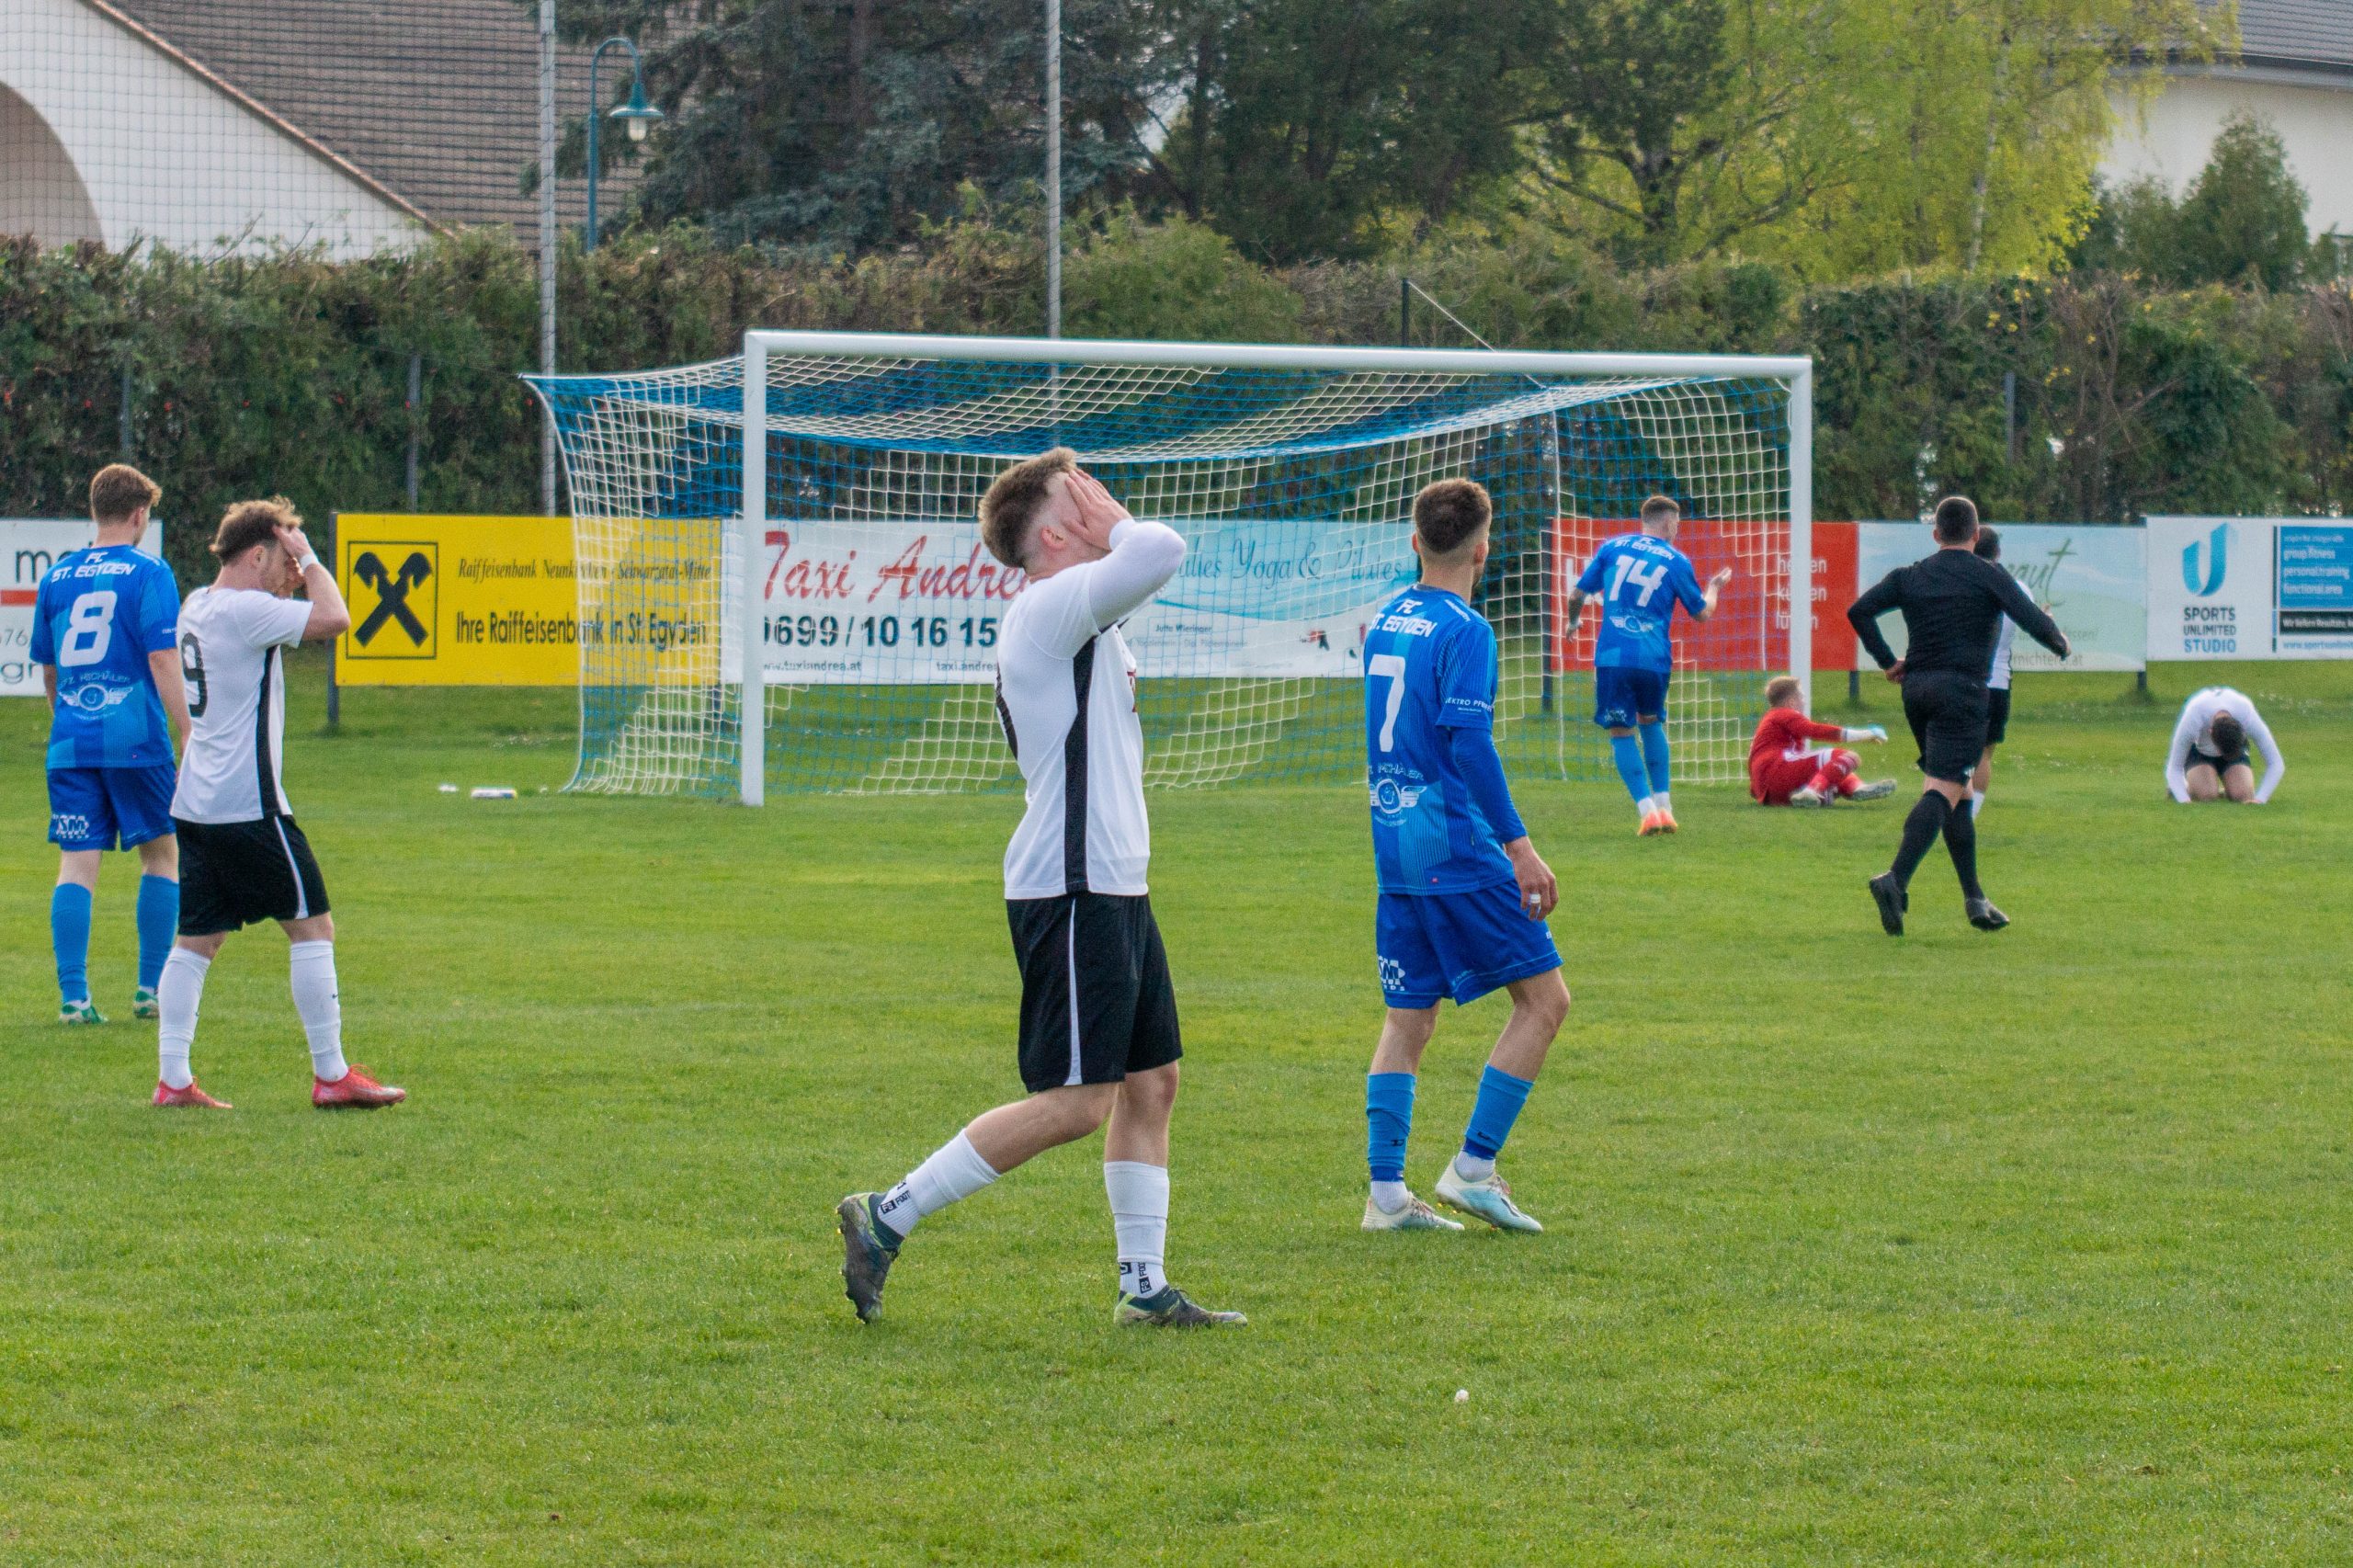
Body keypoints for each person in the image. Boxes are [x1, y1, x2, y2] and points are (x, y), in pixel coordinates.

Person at [836, 449, 1243, 1329]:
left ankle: (1143, 1288)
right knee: (1077, 1104)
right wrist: (1120, 530)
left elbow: (1147, 565)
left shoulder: (1083, 614)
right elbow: (1160, 549)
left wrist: (1109, 528)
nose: (1104, 506)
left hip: (1113, 883)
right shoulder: (1049, 607)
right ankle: (886, 1213)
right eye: (1083, 499)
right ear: (1057, 534)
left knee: (1153, 1082)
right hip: (1071, 886)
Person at [1358, 478, 1570, 1234]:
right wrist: (1520, 847)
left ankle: (1386, 1198)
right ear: (1484, 550)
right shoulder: (1467, 630)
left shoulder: (1388, 619)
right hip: (1453, 846)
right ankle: (1474, 1168)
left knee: (1408, 1019)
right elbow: (1470, 743)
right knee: (1545, 1002)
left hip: (1395, 850)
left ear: (1416, 542)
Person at [154, 499, 405, 1111]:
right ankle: (332, 1075)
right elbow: (337, 618)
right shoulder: (246, 610)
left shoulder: (198, 603)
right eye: (283, 560)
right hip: (247, 805)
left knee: (197, 940)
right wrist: (311, 557)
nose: (291, 574)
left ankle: (173, 1081)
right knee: (313, 927)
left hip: (197, 804)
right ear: (257, 554)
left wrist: (288, 570)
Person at [1847, 496, 2068, 936]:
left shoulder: (1910, 575)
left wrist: (1887, 661)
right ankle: (1895, 879)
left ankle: (1975, 898)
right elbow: (2030, 618)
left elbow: (1859, 612)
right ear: (1975, 533)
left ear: (1935, 534)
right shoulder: (1989, 574)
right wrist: (2060, 643)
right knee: (1943, 791)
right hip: (1962, 694)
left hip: (1917, 692)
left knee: (1959, 793)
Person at [29, 465, 189, 1025]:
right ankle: (150, 991)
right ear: (140, 515)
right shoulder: (150, 571)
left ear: (95, 511)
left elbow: (49, 668)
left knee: (76, 865)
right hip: (135, 739)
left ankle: (74, 999)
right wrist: (187, 728)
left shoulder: (56, 576)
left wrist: (67, 721)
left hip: (71, 741)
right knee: (162, 855)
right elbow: (162, 655)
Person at [1563, 495, 1732, 835]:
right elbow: (1702, 614)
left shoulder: (1612, 548)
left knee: (1621, 732)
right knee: (1651, 722)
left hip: (1613, 657)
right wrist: (1714, 588)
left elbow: (1577, 595)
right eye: (1677, 524)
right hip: (1654, 659)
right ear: (1668, 523)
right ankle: (1666, 808)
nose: (1677, 530)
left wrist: (1573, 621)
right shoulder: (1676, 560)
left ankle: (1647, 812)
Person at [1746, 676, 1897, 806]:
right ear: (1791, 702)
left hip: (1771, 793)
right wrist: (1865, 734)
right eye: (1802, 697)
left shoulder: (1769, 719)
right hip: (1777, 774)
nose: (1804, 702)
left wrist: (1759, 791)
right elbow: (1815, 730)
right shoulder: (1784, 713)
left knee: (1830, 772)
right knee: (1847, 757)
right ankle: (1812, 791)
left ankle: (1856, 788)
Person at [1967, 527, 2019, 819]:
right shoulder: (2016, 587)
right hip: (1997, 679)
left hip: (1964, 677)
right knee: (1984, 753)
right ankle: (1970, 815)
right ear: (1998, 552)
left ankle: (1949, 809)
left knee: (1955, 749)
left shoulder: (1962, 582)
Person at [2165, 687, 2283, 804]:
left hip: (2233, 746)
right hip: (2199, 751)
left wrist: (2259, 800)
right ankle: (2186, 787)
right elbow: (2174, 767)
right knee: (2206, 795)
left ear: (2242, 733)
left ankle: (2224, 788)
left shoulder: (2246, 713)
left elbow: (2276, 763)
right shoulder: (2194, 715)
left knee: (2243, 795)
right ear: (2210, 731)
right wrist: (2184, 800)